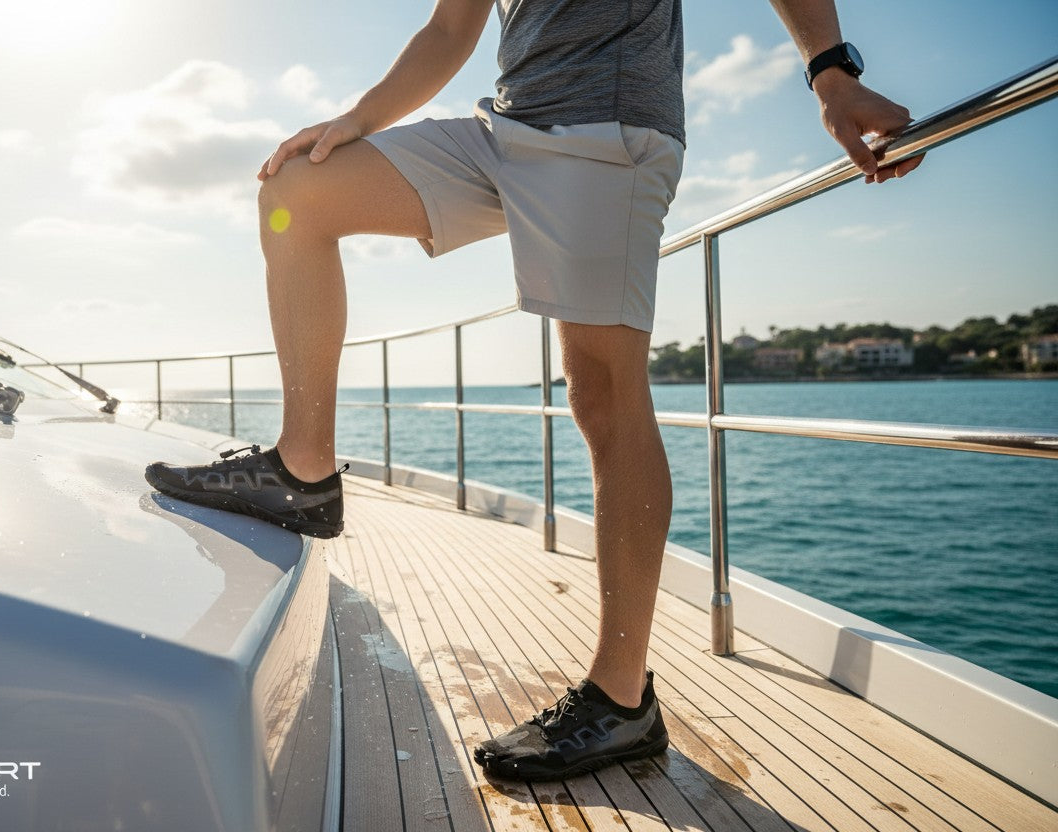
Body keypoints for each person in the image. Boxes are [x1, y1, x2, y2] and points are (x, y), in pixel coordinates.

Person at [145, 0, 922, 781]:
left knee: (602, 394)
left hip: (605, 136)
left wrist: (830, 73)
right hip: (504, 130)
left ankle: (622, 702)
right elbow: (452, 28)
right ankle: (304, 469)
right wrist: (356, 118)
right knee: (296, 195)